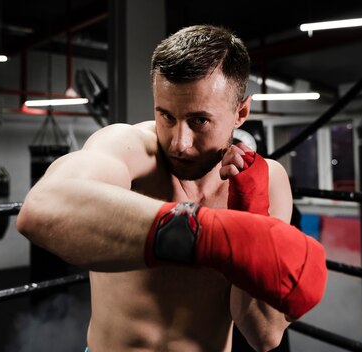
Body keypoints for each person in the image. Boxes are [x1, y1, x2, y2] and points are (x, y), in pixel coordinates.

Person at [17, 25, 327, 352]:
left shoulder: (268, 179)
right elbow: (40, 208)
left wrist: (252, 213)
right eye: (166, 116)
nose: (179, 143)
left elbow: (262, 335)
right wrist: (207, 233)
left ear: (241, 112)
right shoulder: (130, 147)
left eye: (199, 121)